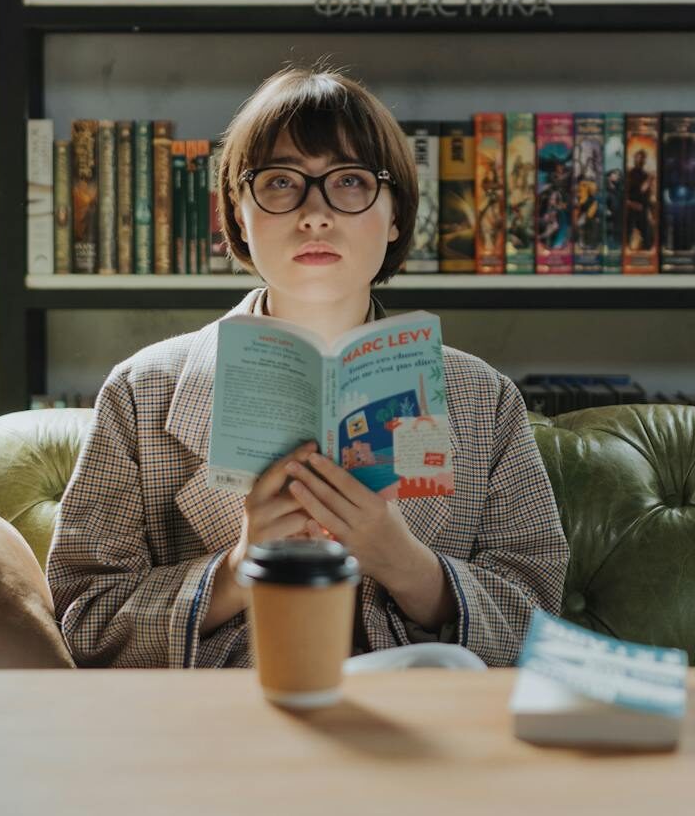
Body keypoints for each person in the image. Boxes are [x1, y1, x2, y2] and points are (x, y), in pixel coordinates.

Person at [45, 66, 569, 669]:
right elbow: (84, 620)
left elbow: (540, 618)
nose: (314, 215)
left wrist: (405, 564)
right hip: (227, 725)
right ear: (237, 214)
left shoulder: (483, 398)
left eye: (349, 182)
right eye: (280, 183)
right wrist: (241, 567)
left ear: (396, 215)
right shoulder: (144, 392)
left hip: (417, 722)